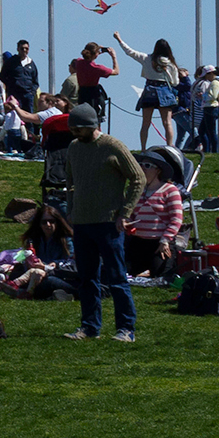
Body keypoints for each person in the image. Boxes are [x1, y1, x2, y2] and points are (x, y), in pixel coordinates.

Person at [48, 107, 145, 341]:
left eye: (77, 128)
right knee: (87, 278)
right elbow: (70, 182)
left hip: (108, 223)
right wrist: (71, 210)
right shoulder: (74, 148)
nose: (74, 132)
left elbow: (138, 178)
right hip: (82, 224)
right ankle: (89, 327)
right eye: (71, 128)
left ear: (91, 125)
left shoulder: (113, 146)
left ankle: (126, 329)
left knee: (117, 277)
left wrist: (125, 212)